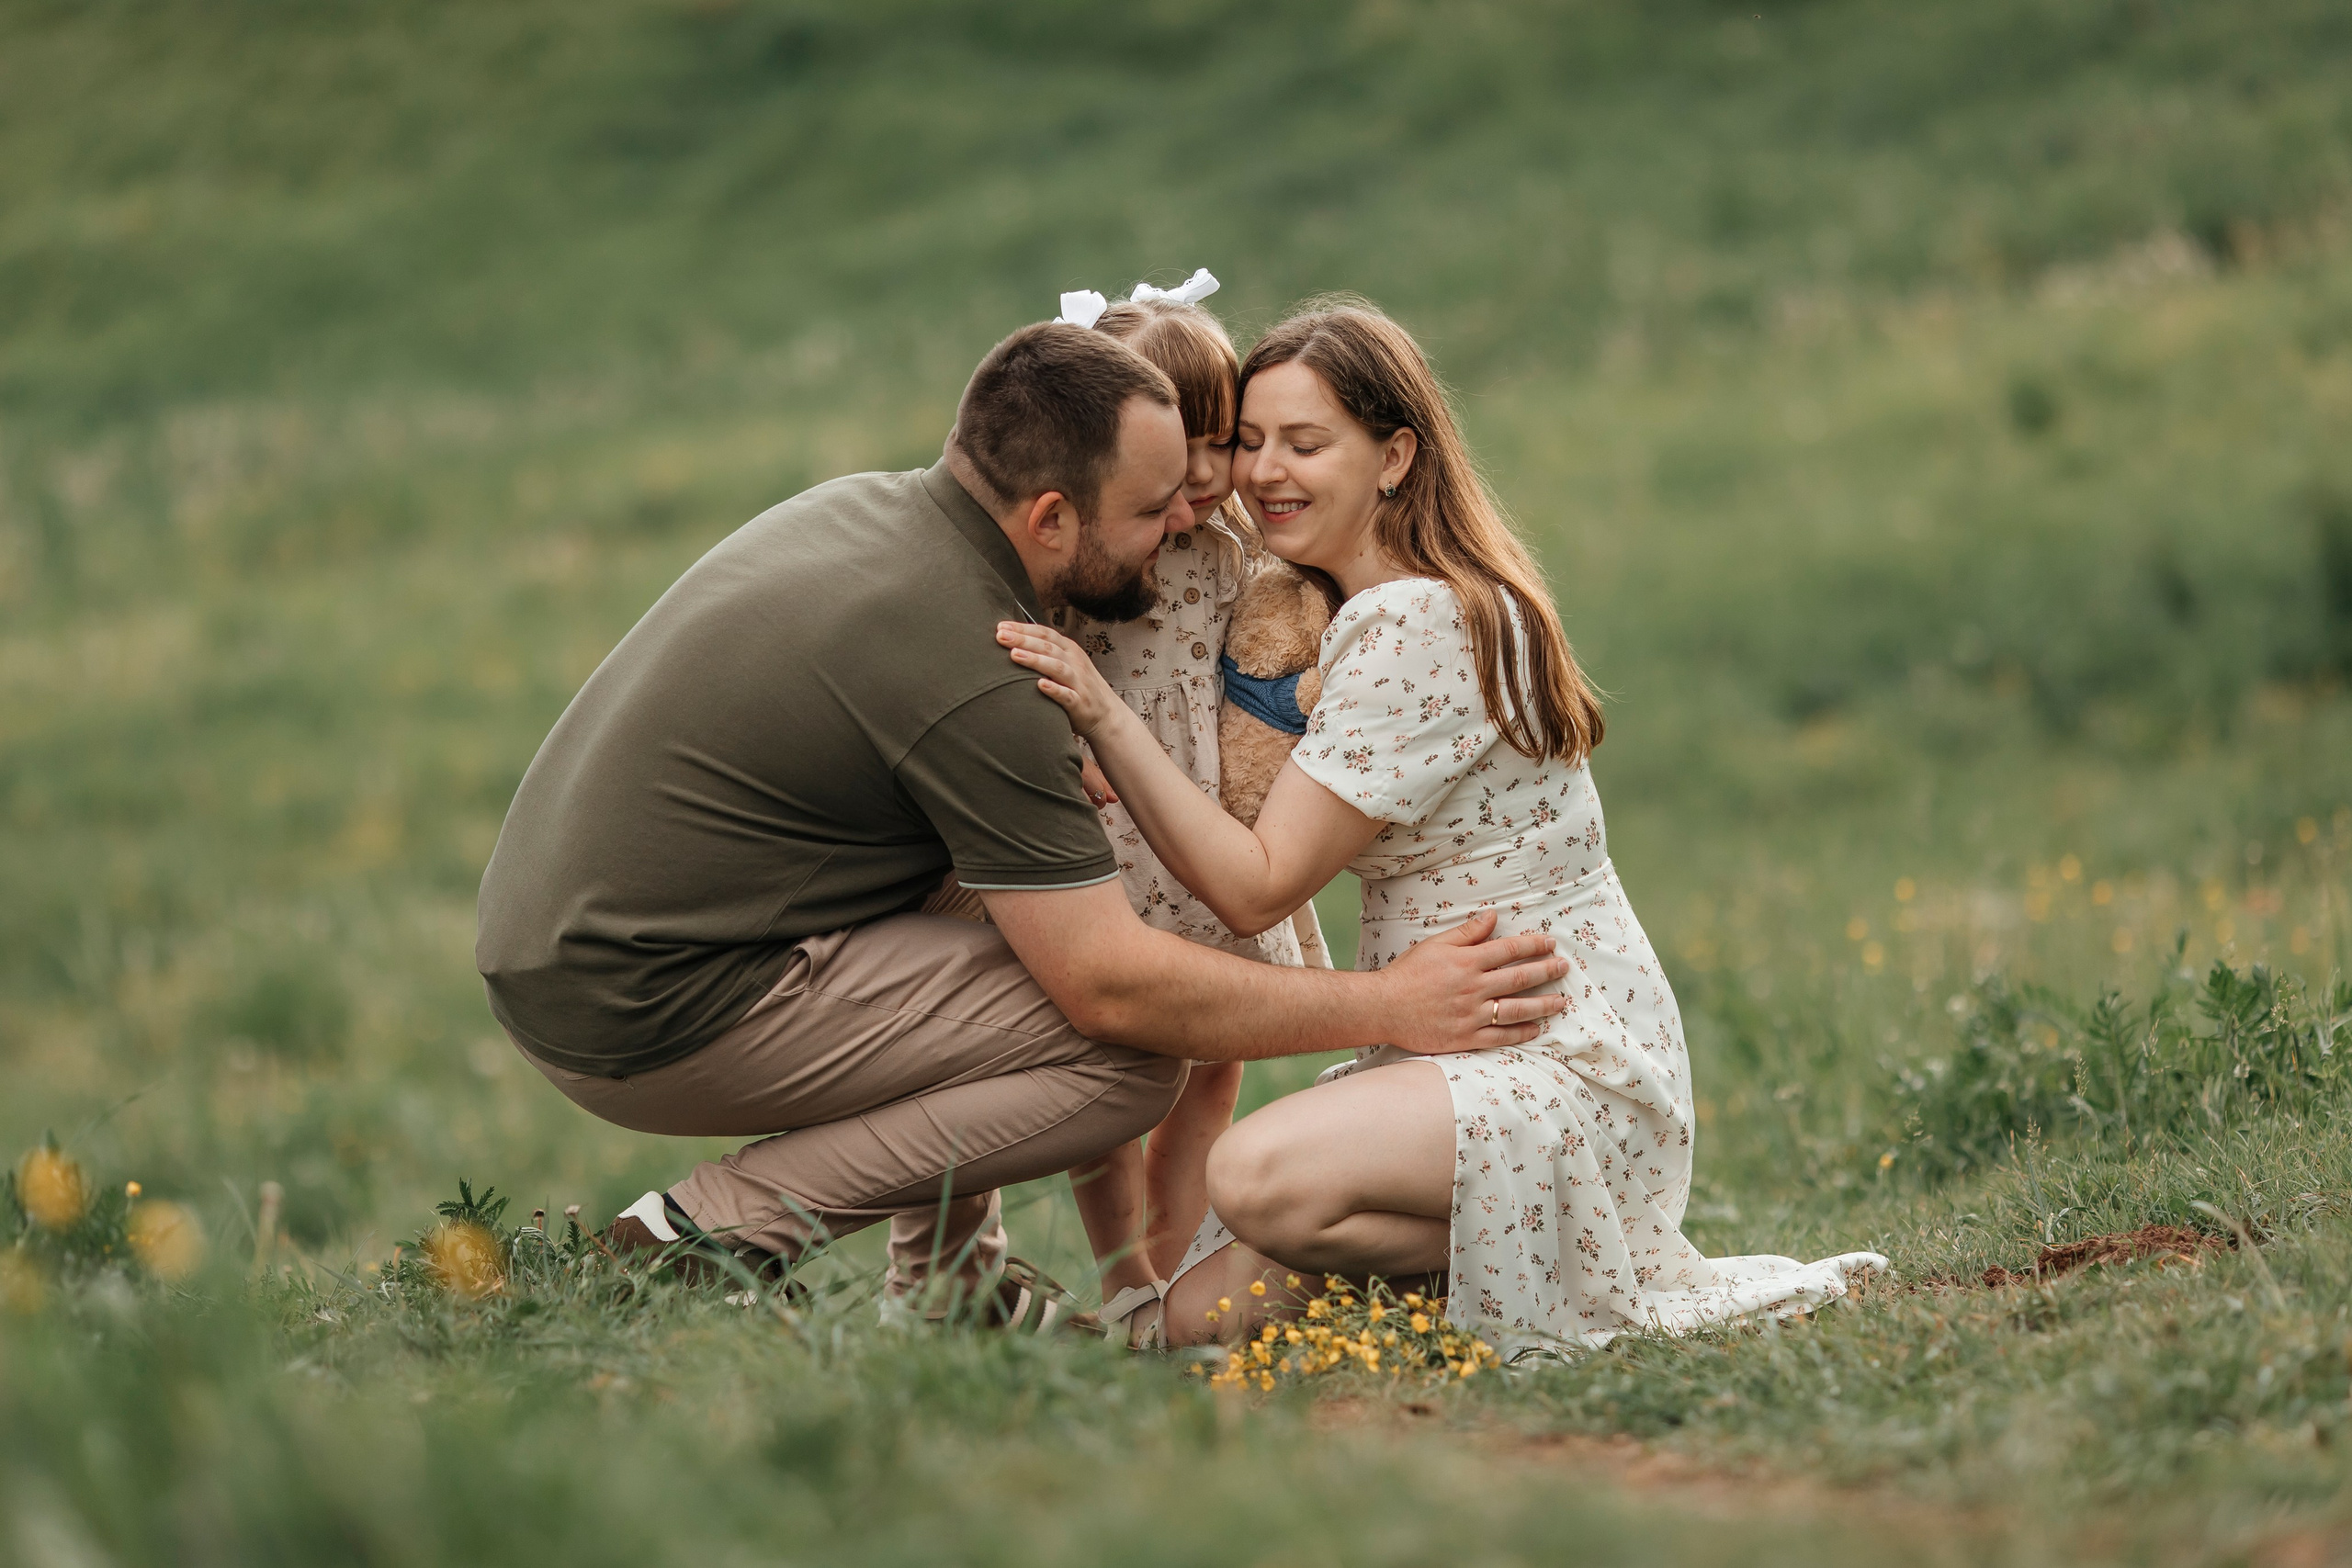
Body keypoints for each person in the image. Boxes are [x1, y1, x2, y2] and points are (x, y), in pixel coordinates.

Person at [475, 317, 1574, 1332]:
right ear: (1049, 517)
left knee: (1017, 961)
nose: (1187, 524)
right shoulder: (976, 656)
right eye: (1152, 511)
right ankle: (709, 1231)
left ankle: (952, 1289)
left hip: (570, 954)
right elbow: (1109, 984)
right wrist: (1387, 1006)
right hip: (650, 1004)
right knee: (1130, 1056)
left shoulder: (874, 512)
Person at [998, 299, 1885, 1349]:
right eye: (1248, 442)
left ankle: (1554, 1250)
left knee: (1252, 1175)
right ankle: (1476, 1270)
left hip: (1557, 1063)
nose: (1263, 471)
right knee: (1188, 1323)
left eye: (1306, 442)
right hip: (1449, 1051)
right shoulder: (1339, 611)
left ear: (1395, 456)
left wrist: (1098, 715)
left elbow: (1253, 884)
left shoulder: (1421, 618)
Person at [1041, 273, 1332, 1324]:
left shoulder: (1230, 554)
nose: (1208, 474)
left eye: (1222, 441)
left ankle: (1178, 1267)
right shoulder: (1082, 558)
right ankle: (1124, 1281)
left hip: (1215, 845)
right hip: (1114, 851)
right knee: (1119, 1088)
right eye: (1180, 450)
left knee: (1216, 1068)